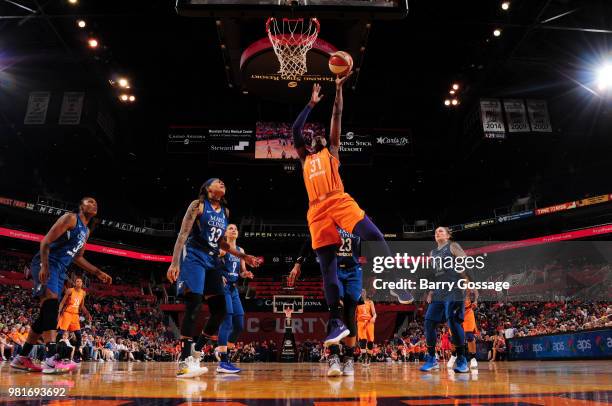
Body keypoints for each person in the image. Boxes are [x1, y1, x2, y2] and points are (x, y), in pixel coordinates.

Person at [291, 77, 412, 353]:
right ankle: (335, 321)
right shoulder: (304, 158)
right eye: (314, 135)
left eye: (321, 133)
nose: (318, 134)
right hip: (316, 209)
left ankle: (394, 280)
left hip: (338, 199)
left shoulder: (332, 151)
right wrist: (310, 104)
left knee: (375, 235)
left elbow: (337, 114)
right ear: (310, 143)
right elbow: (295, 128)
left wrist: (339, 89)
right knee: (326, 268)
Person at [167, 178, 261, 378]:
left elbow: (221, 243)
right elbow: (183, 234)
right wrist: (175, 262)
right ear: (208, 188)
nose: (222, 183)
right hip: (194, 255)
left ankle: (196, 351)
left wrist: (243, 256)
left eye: (223, 183)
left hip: (212, 260)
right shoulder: (198, 205)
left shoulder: (225, 212)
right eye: (217, 182)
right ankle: (184, 360)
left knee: (220, 310)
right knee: (194, 304)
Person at [10, 197, 112, 374]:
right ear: (81, 206)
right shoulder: (70, 218)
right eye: (89, 201)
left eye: (96, 202)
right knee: (51, 303)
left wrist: (97, 272)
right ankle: (50, 359)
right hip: (47, 263)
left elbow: (77, 257)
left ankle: (22, 358)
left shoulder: (85, 231)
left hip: (60, 270)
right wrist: (44, 265)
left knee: (45, 314)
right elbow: (45, 242)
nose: (94, 204)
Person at [288, 227, 362, 376]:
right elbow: (309, 241)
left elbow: (370, 246)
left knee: (349, 314)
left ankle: (348, 358)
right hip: (333, 269)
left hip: (354, 271)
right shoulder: (326, 220)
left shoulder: (355, 220)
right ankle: (333, 357)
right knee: (336, 310)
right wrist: (297, 264)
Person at [419, 227, 469, 374]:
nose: (437, 233)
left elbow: (465, 263)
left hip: (454, 288)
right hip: (439, 291)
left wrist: (467, 283)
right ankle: (431, 359)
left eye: (441, 231)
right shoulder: (433, 253)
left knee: (453, 322)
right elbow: (436, 275)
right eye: (436, 232)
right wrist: (431, 291)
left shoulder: (453, 246)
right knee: (429, 322)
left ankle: (461, 359)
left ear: (448, 235)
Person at [216, 224, 254, 374]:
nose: (234, 230)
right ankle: (223, 361)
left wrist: (246, 274)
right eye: (230, 228)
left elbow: (242, 271)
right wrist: (218, 275)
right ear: (225, 233)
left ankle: (222, 350)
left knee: (239, 324)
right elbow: (211, 263)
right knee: (227, 319)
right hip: (223, 288)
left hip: (234, 288)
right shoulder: (222, 249)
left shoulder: (241, 251)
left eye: (236, 229)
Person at [57, 276, 91, 365]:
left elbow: (82, 306)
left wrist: (87, 313)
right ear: (74, 283)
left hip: (75, 315)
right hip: (67, 313)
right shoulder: (70, 290)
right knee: (61, 332)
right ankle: (55, 353)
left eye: (80, 281)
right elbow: (62, 302)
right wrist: (58, 312)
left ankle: (76, 355)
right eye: (77, 281)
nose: (79, 283)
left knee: (79, 336)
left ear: (82, 284)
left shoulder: (83, 293)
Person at [356, 289, 376, 366]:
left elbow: (374, 313)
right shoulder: (357, 303)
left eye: (364, 292)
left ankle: (369, 359)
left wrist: (373, 318)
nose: (362, 293)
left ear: (366, 293)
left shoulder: (370, 302)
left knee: (371, 341)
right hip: (360, 322)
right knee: (363, 340)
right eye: (361, 292)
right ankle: (364, 358)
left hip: (369, 322)